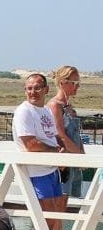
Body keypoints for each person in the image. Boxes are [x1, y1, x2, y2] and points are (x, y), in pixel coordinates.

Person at [12, 72, 66, 230]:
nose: (32, 92)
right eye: (29, 88)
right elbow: (31, 144)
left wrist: (62, 154)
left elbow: (53, 136)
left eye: (37, 88)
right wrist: (56, 151)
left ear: (46, 90)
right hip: (36, 172)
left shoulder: (46, 111)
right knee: (46, 219)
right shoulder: (24, 112)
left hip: (51, 170)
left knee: (56, 217)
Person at [48, 65, 85, 201]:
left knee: (73, 202)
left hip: (74, 162)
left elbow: (76, 135)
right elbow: (60, 135)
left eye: (78, 82)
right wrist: (80, 155)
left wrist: (82, 153)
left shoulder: (69, 107)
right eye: (74, 82)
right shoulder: (54, 105)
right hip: (64, 163)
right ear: (62, 82)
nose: (77, 86)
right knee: (61, 202)